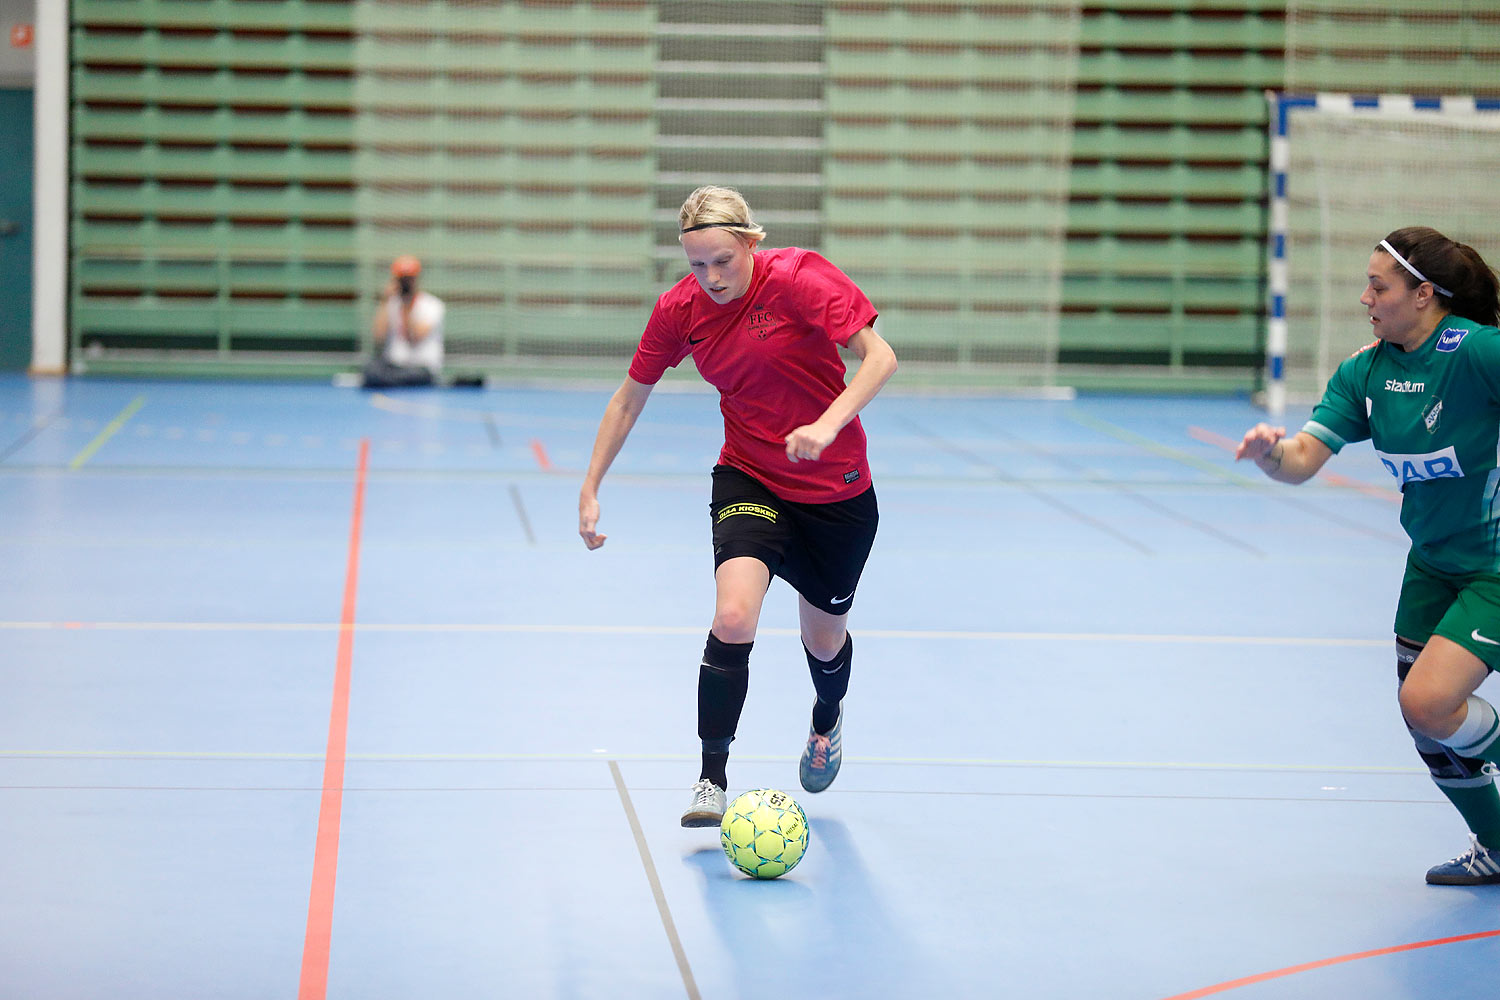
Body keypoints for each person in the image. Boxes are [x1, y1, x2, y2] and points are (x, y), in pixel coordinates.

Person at [578, 185, 898, 827]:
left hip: (836, 491)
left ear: (751, 242)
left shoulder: (801, 277)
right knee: (732, 615)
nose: (711, 277)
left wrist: (828, 425)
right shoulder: (679, 310)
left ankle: (826, 718)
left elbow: (879, 357)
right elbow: (629, 397)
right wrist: (591, 487)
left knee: (824, 639)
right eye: (697, 264)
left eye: (723, 260)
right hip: (750, 474)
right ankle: (711, 777)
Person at [1236, 225, 1500, 885]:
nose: (1366, 297)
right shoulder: (1367, 371)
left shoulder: (1474, 353)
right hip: (1431, 567)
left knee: (1429, 704)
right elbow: (1301, 461)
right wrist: (1272, 452)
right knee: (1428, 733)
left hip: (1494, 565)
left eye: (1379, 286)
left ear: (1425, 295)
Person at [360, 254, 445, 388]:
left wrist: (407, 306)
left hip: (422, 367)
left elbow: (415, 337)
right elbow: (378, 337)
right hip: (395, 365)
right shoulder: (390, 304)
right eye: (402, 279)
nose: (406, 284)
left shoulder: (432, 305)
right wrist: (384, 302)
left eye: (409, 279)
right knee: (371, 370)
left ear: (417, 279)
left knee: (409, 376)